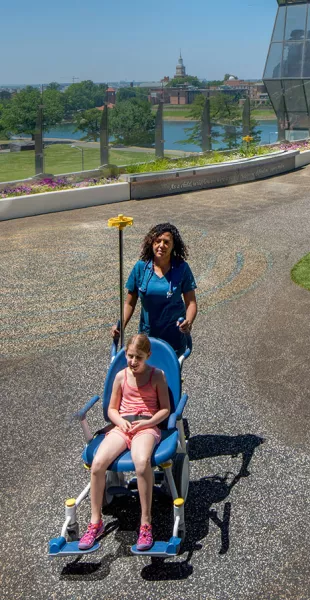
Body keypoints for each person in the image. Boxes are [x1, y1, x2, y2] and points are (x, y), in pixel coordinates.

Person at [79, 334, 170, 551]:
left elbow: (165, 410)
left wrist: (147, 422)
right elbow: (112, 409)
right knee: (98, 463)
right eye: (130, 356)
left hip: (146, 427)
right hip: (122, 427)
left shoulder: (157, 376)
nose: (133, 361)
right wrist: (120, 421)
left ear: (148, 356)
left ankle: (146, 523)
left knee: (141, 462)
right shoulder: (121, 376)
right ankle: (95, 522)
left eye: (138, 357)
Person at [112, 223, 197, 357]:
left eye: (166, 242)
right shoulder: (140, 268)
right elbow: (129, 303)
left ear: (173, 245)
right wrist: (121, 325)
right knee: (145, 375)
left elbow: (191, 303)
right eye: (157, 241)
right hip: (147, 338)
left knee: (170, 376)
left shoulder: (182, 268)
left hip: (174, 339)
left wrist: (189, 321)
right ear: (151, 243)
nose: (161, 245)